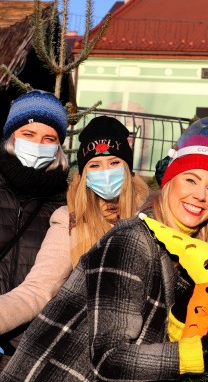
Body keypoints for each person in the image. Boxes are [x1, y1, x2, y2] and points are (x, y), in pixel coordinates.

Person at [1, 133, 208, 380]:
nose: (200, 195)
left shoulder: (186, 256)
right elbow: (110, 359)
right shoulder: (134, 239)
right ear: (170, 181)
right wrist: (200, 353)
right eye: (191, 180)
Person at [0, 116, 149, 353]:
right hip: (86, 351)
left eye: (114, 163)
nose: (106, 172)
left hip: (144, 348)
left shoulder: (151, 216)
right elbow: (37, 290)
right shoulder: (70, 220)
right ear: (84, 173)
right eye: (95, 165)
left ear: (127, 167)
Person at [0, 90, 69, 366]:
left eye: (49, 138)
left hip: (29, 352)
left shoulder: (66, 203)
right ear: (12, 136)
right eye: (29, 134)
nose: (38, 144)